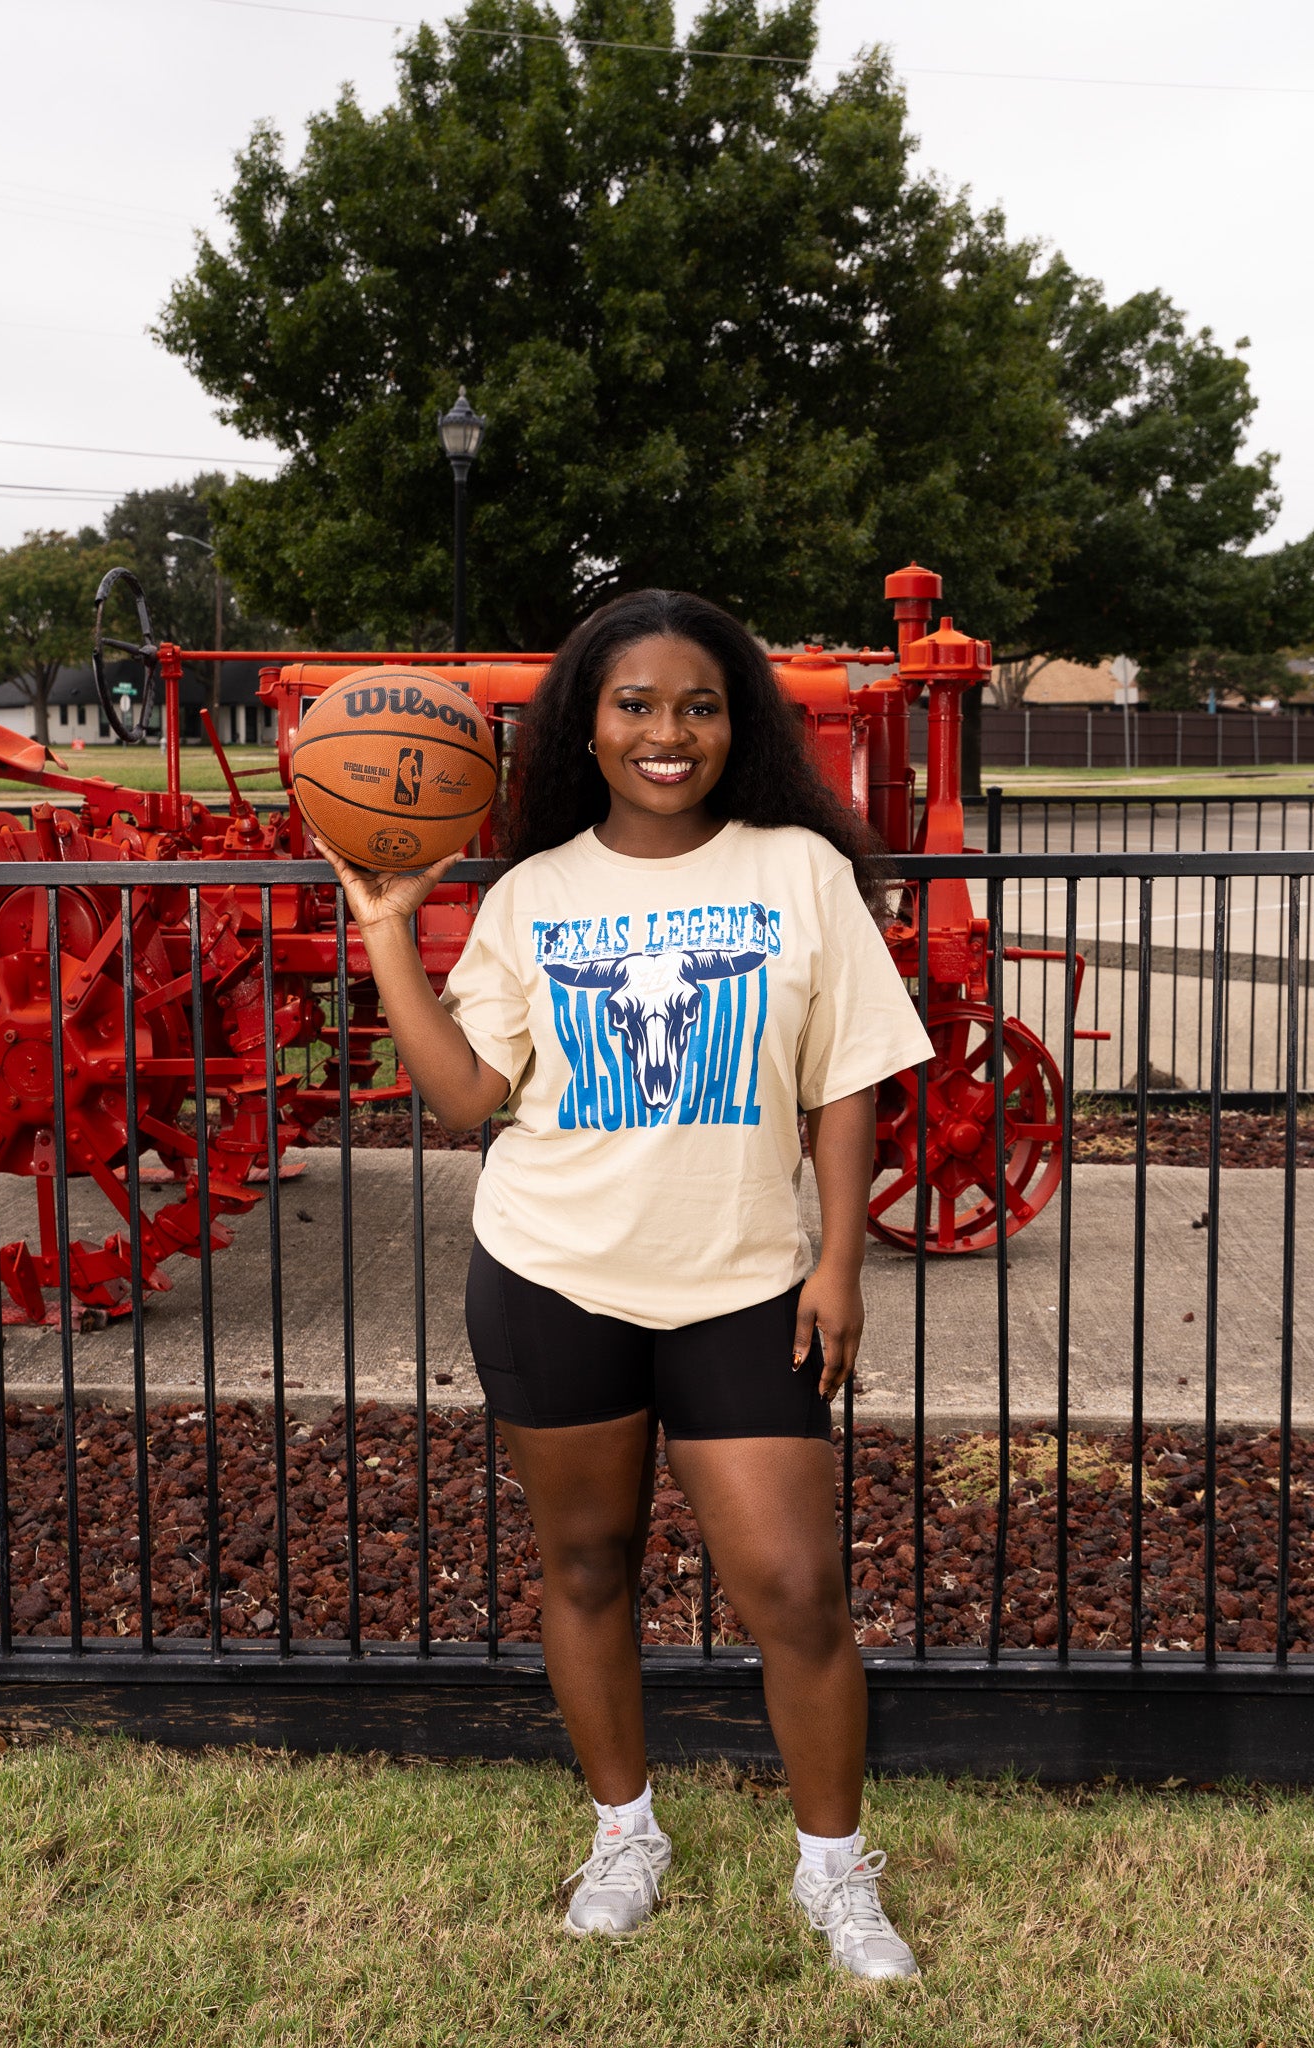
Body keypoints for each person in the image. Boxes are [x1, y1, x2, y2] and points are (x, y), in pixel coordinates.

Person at [322, 589, 933, 1981]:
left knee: (794, 1587)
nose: (669, 732)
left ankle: (835, 1873)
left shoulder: (796, 871)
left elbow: (845, 1084)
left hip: (743, 1286)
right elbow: (469, 1099)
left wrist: (837, 1262)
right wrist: (384, 933)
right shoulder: (531, 896)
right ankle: (624, 1835)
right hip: (553, 1273)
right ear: (584, 729)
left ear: (738, 725)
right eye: (637, 705)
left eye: (699, 705)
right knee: (587, 1567)